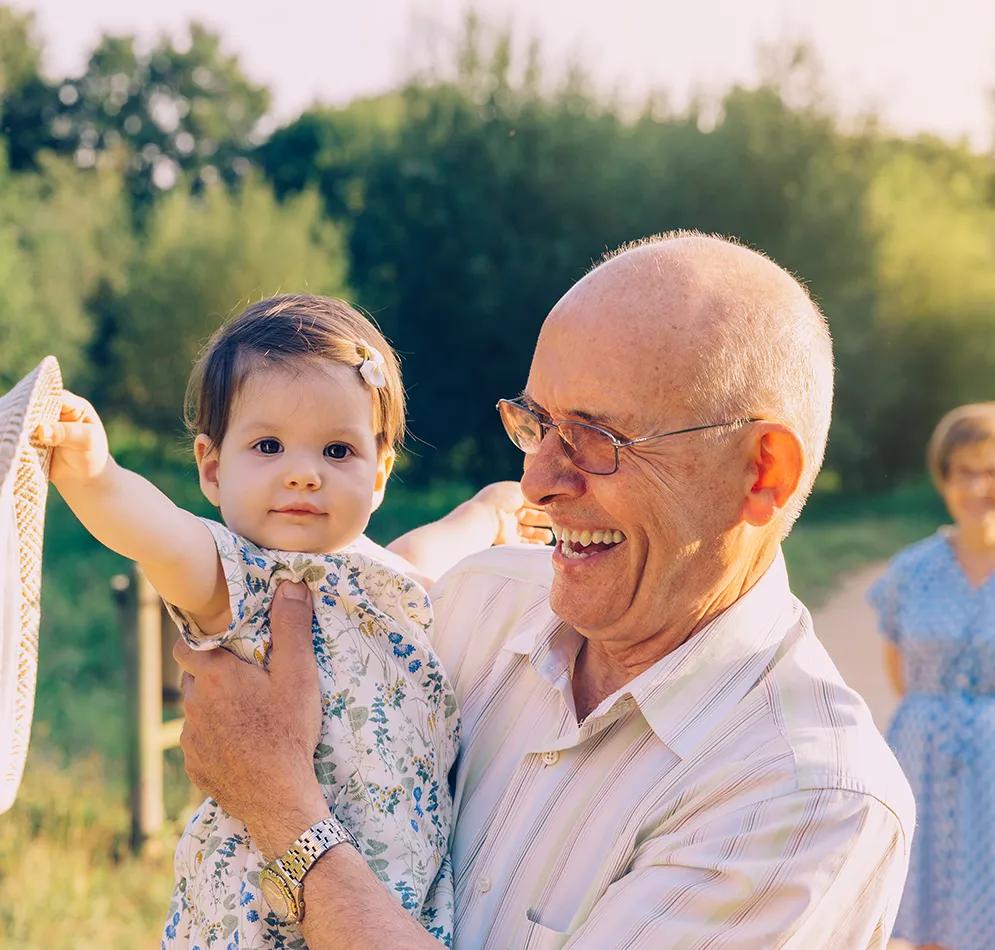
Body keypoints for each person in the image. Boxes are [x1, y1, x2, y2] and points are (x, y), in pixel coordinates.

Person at [175, 233, 916, 948]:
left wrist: (281, 809)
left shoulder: (805, 801)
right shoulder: (475, 604)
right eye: (535, 424)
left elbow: (269, 770)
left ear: (762, 474)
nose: (535, 482)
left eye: (597, 439)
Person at [35, 294, 546, 949]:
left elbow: (458, 531)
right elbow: (155, 534)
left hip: (389, 908)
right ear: (213, 469)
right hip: (264, 917)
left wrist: (499, 506)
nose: (303, 474)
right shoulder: (240, 581)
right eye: (268, 445)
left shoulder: (394, 578)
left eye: (337, 451)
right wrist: (95, 475)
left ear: (379, 473)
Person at [869, 403, 995, 950]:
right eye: (963, 471)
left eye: (991, 470)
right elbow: (899, 670)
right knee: (924, 911)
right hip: (920, 756)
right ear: (944, 480)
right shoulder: (910, 572)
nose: (978, 487)